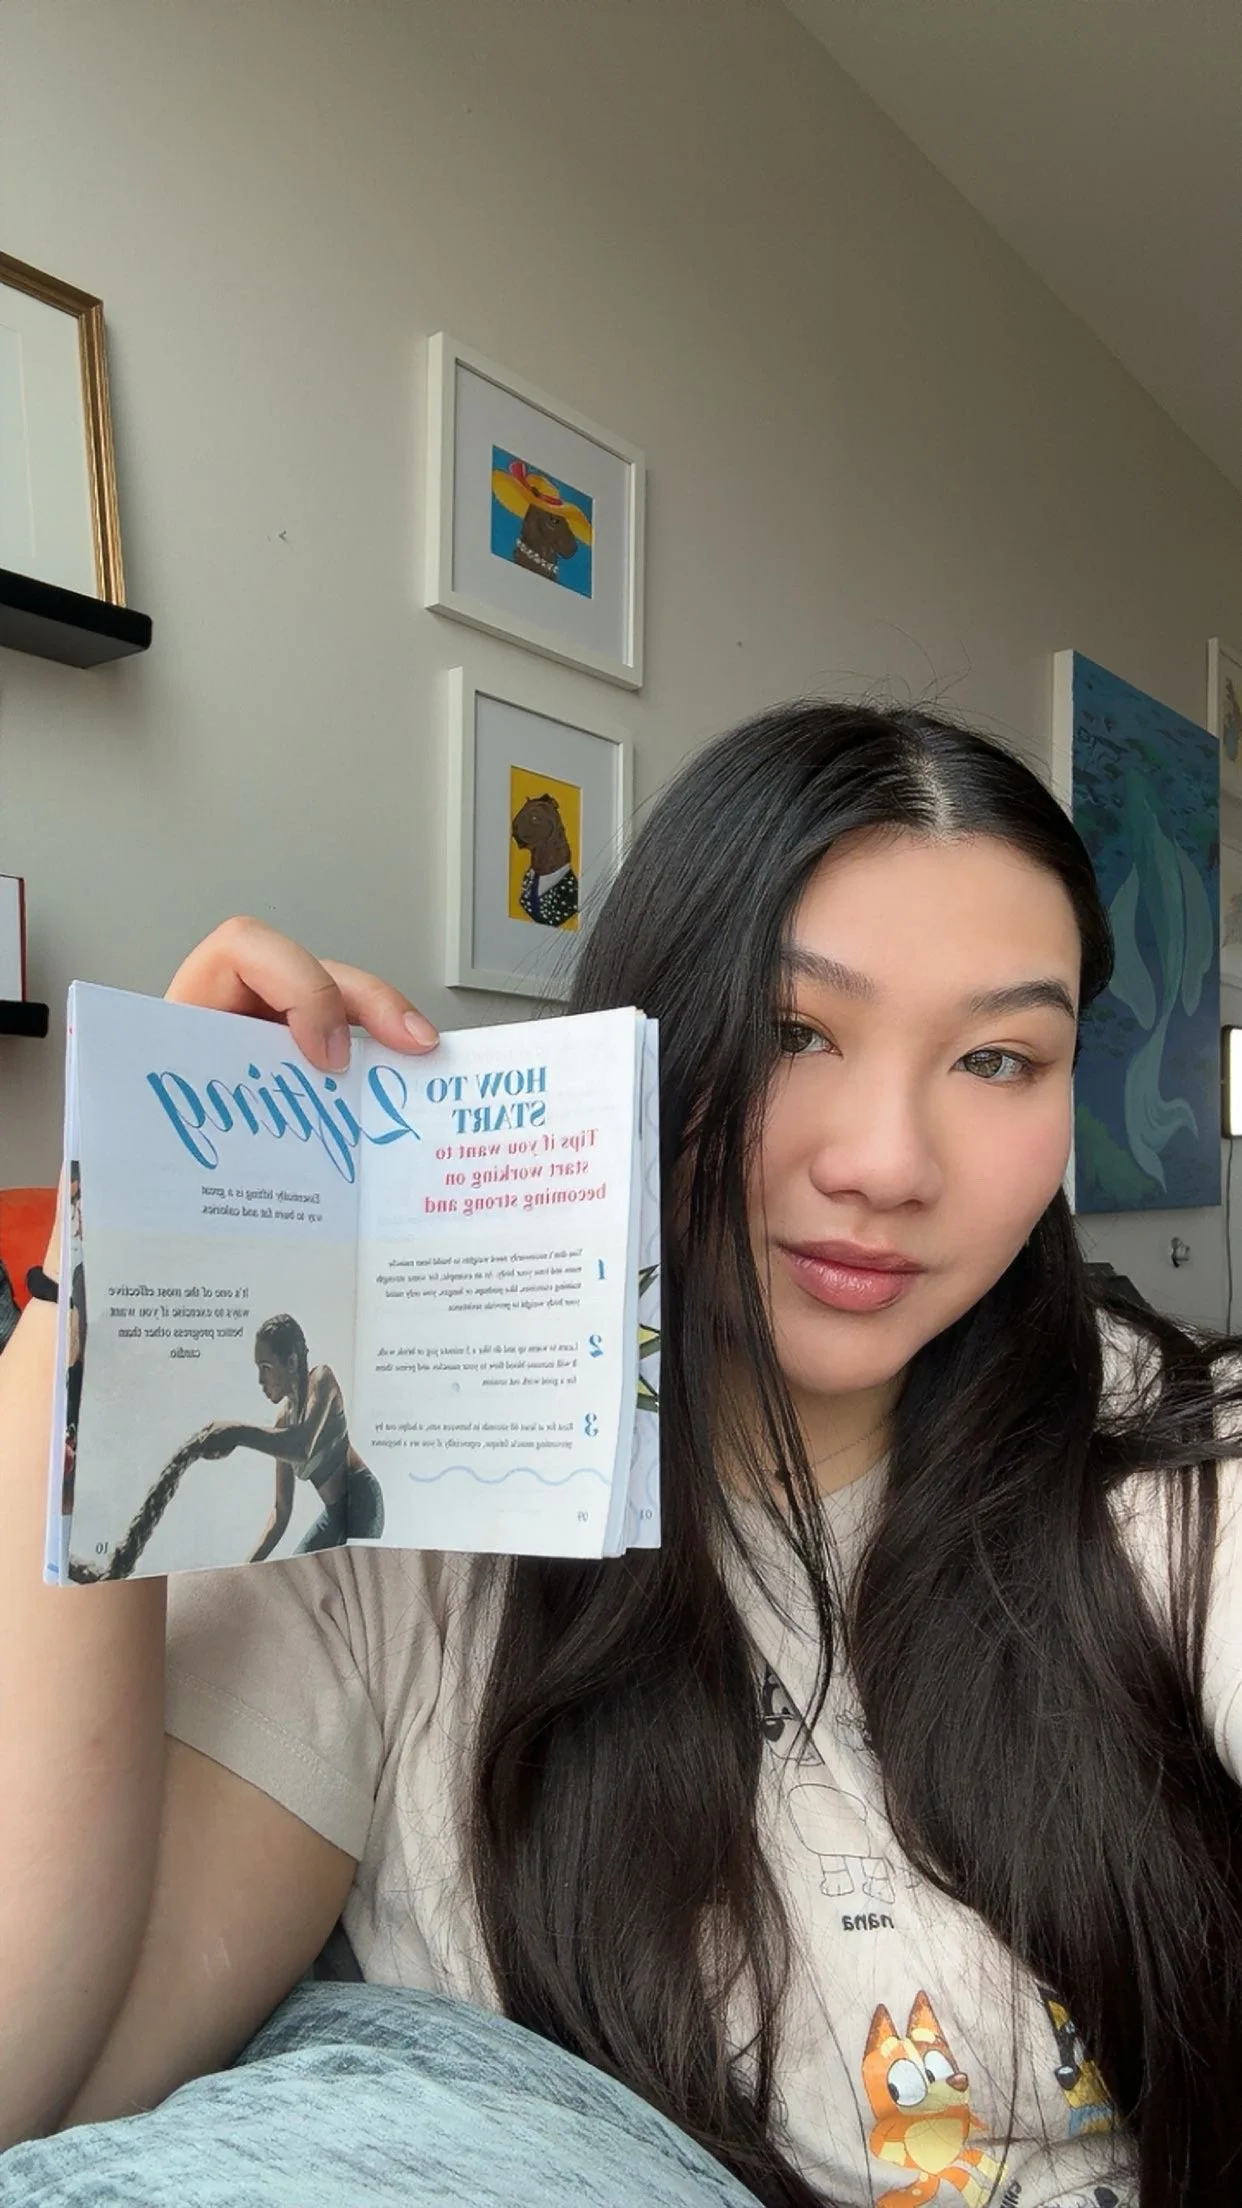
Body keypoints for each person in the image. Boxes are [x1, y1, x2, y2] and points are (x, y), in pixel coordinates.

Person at [2, 700, 1240, 2208]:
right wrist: (107, 1261)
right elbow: (40, 2082)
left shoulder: (1179, 1472)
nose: (885, 1164)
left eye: (996, 1059)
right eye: (792, 1032)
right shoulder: (393, 1530)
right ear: (639, 1042)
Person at [186, 1313, 385, 1561]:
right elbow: (281, 1511)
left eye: (266, 1368)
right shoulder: (284, 1420)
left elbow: (302, 1446)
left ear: (291, 1362)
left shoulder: (322, 1380)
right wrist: (245, 1568)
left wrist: (236, 1432)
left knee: (347, 1578)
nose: (260, 1380)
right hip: (334, 1514)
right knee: (296, 1575)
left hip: (363, 1501)